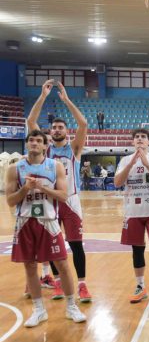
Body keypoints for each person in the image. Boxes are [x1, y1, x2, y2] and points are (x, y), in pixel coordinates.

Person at [5, 130, 87, 327]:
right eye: (31, 140)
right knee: (30, 266)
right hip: (25, 221)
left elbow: (63, 196)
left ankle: (71, 306)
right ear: (27, 144)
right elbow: (10, 201)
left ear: (45, 145)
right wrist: (26, 188)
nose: (34, 143)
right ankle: (39, 310)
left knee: (62, 264)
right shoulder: (15, 169)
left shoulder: (55, 166)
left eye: (38, 140)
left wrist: (42, 188)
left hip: (48, 221)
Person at [26, 80, 92, 302]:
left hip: (71, 201)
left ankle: (82, 285)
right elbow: (31, 121)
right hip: (50, 202)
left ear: (66, 131)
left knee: (76, 244)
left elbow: (83, 124)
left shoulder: (74, 149)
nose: (56, 130)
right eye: (53, 127)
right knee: (52, 244)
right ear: (49, 132)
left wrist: (66, 100)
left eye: (60, 127)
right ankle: (57, 283)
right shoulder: (44, 149)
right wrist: (43, 96)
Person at [114, 129, 149, 304]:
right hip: (133, 212)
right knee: (137, 250)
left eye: (143, 137)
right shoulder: (125, 160)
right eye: (137, 137)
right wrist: (132, 163)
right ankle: (140, 286)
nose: (139, 139)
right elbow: (117, 183)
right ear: (133, 142)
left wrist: (146, 163)